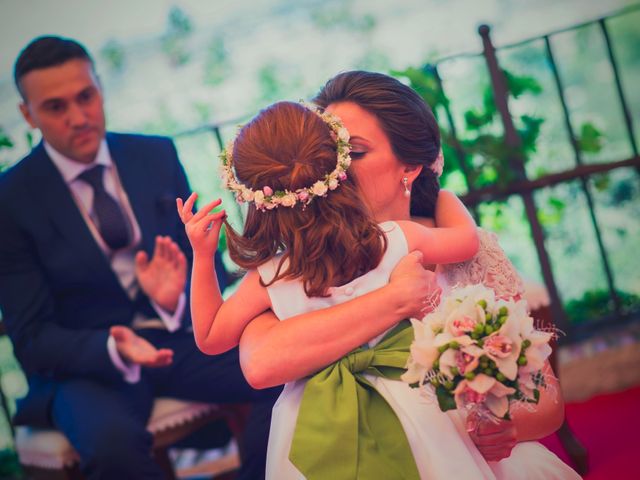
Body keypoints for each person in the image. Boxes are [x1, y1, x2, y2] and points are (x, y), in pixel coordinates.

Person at [237, 71, 580, 479]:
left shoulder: (464, 248)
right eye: (329, 154)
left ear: (411, 165)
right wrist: (393, 300)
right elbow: (260, 364)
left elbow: (546, 400)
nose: (334, 171)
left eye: (354, 153)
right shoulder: (299, 267)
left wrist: (506, 427)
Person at [0, 36, 278, 479]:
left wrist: (173, 300)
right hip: (86, 366)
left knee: (279, 369)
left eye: (85, 97)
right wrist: (113, 346)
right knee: (113, 449)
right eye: (55, 107)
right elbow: (31, 335)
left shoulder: (156, 154)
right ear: (27, 114)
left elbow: (206, 265)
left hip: (176, 338)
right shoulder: (11, 199)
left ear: (99, 89)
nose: (78, 117)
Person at [178, 100, 485, 479]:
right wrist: (446, 198)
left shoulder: (270, 278)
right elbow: (466, 241)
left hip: (313, 420)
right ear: (338, 168)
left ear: (255, 201)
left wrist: (202, 255)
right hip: (414, 400)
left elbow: (209, 337)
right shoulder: (395, 239)